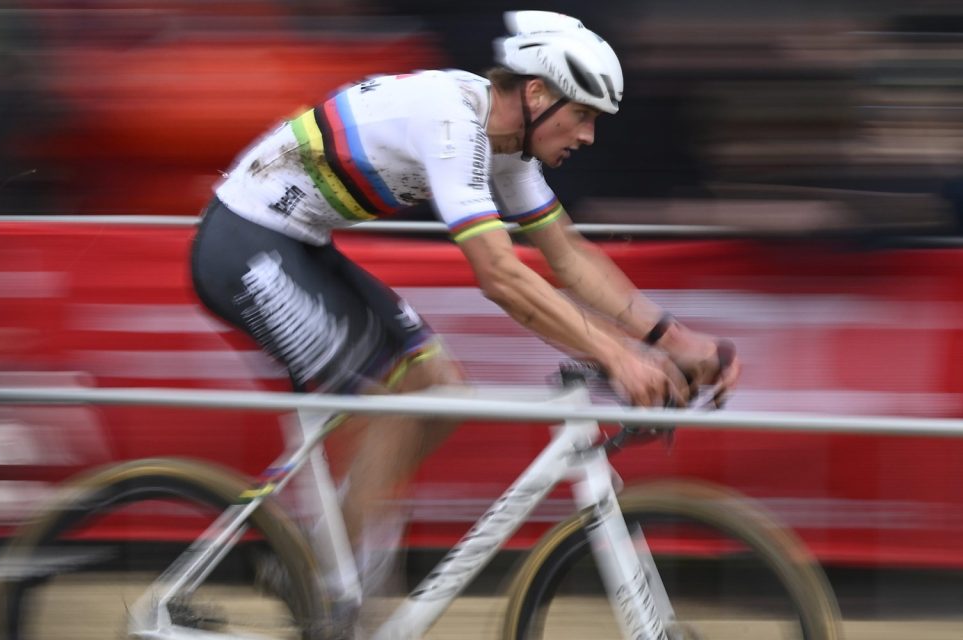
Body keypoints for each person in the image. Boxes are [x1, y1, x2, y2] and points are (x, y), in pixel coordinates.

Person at [189, 8, 740, 610]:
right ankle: (338, 591)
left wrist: (673, 341)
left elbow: (570, 260)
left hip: (299, 242)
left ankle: (316, 565)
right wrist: (616, 355)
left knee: (439, 387)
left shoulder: (511, 147)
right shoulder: (453, 123)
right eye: (582, 114)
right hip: (242, 242)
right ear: (536, 94)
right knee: (392, 402)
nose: (587, 136)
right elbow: (501, 278)